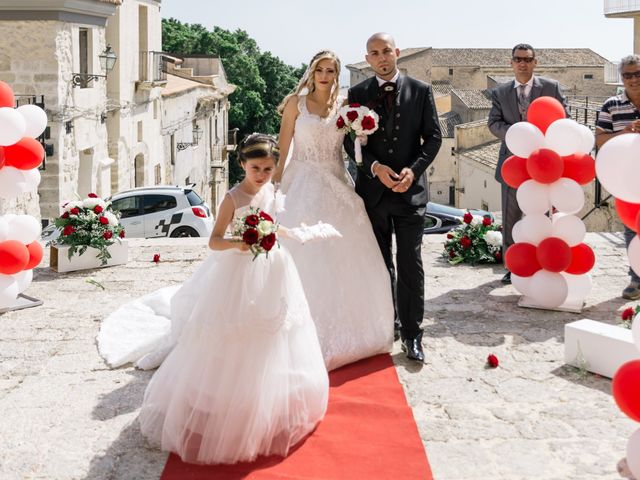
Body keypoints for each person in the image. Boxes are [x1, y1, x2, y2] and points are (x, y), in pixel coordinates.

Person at [102, 134, 329, 464]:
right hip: (237, 271)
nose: (262, 174)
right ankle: (227, 401)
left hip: (273, 267)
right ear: (242, 165)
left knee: (274, 329)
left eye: (268, 168)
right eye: (255, 168)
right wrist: (240, 242)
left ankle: (262, 396)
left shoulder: (270, 190)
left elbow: (272, 223)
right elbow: (214, 241)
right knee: (233, 331)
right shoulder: (233, 198)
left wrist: (291, 233)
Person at [274, 50, 395, 369]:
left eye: (330, 71)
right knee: (301, 253)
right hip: (300, 182)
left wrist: (365, 132)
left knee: (343, 254)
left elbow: (355, 144)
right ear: (311, 73)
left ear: (336, 74)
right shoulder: (294, 104)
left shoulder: (344, 106)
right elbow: (282, 147)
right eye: (319, 70)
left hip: (337, 183)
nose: (324, 76)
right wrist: (270, 186)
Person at [344, 33, 442, 363]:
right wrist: (373, 167)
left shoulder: (421, 90)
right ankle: (391, 323)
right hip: (373, 195)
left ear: (397, 53)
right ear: (368, 59)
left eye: (387, 51)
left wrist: (414, 171)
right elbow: (349, 142)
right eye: (374, 53)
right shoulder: (357, 93)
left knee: (410, 263)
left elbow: (434, 138)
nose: (382, 57)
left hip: (410, 194)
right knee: (380, 262)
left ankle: (414, 335)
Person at [488, 43, 568, 285]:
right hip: (512, 162)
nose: (522, 63)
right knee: (511, 216)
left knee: (542, 214)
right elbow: (493, 123)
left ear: (535, 62)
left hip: (543, 163)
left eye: (527, 59)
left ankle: (542, 261)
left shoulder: (551, 88)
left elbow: (564, 119)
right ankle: (513, 266)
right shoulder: (500, 92)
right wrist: (519, 134)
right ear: (511, 63)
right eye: (517, 59)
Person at [595, 54, 640, 300]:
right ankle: (636, 278)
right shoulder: (611, 105)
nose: (633, 79)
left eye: (637, 74)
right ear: (622, 78)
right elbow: (599, 139)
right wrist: (624, 132)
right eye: (627, 75)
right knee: (633, 227)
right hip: (628, 180)